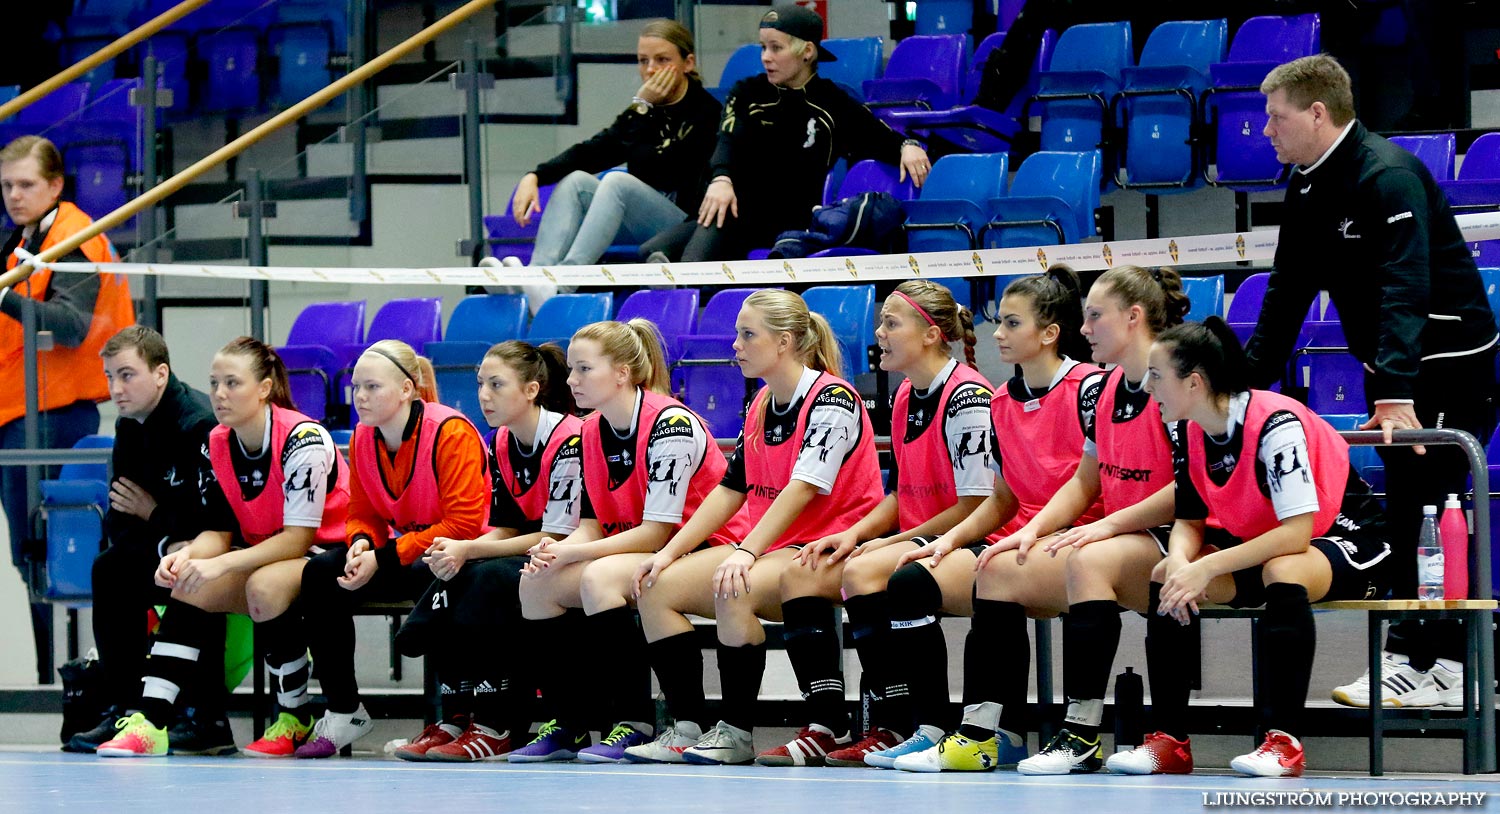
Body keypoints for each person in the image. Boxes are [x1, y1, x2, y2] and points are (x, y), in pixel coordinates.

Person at [1247, 54, 1498, 707]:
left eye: (1276, 118)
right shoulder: (1305, 184)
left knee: (1432, 502)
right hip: (1391, 369)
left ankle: (1442, 663)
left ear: (1317, 113)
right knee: (1408, 506)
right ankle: (1416, 657)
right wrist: (1241, 382)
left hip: (1449, 366)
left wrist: (1395, 393)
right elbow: (1286, 293)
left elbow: (1404, 291)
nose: (1266, 130)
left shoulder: (1388, 177)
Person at [858, 269, 1103, 773]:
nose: (997, 334)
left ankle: (998, 731)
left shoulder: (1089, 389)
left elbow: (1091, 485)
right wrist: (941, 542)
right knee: (912, 576)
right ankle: (937, 729)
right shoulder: (1003, 401)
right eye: (998, 322)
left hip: (1083, 540)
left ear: (1050, 333)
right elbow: (1002, 499)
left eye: (1011, 323)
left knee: (991, 573)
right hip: (1017, 541)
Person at [628, 289, 883, 765]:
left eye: (748, 335)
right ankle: (686, 726)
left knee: (735, 586)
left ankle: (740, 731)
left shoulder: (833, 399)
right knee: (655, 587)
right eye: (737, 335)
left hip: (837, 545)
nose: (736, 346)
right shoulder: (764, 400)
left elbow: (803, 487)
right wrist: (667, 553)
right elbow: (730, 489)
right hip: (779, 549)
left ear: (784, 342)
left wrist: (745, 550)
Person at [754, 279, 991, 767]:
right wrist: (856, 532)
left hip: (973, 535)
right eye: (881, 321)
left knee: (865, 571)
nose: (878, 333)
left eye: (891, 323)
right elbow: (902, 494)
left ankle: (906, 722)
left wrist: (893, 541)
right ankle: (827, 723)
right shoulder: (906, 393)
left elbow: (976, 504)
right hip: (926, 534)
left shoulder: (967, 396)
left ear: (930, 335)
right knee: (803, 569)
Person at [1143, 317, 1395, 777]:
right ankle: (1169, 742)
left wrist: (1207, 566)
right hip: (1264, 543)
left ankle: (1284, 743)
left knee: (1282, 570)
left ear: (1194, 383)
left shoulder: (1275, 423)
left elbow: (1296, 534)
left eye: (1156, 375)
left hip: (1347, 534)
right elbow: (1189, 519)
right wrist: (1181, 562)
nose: (1146, 386)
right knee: (1167, 576)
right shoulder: (1190, 427)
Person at [968, 266, 1190, 776]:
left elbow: (1192, 488)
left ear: (1133, 318)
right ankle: (982, 732)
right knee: (995, 568)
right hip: (1127, 534)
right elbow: (1084, 482)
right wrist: (1032, 529)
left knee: (1088, 559)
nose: (1084, 327)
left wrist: (1108, 526)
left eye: (1094, 316)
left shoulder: (1175, 383)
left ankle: (1082, 732)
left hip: (1180, 533)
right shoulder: (1107, 389)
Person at [95, 337, 349, 757]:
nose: (219, 394)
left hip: (326, 551)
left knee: (262, 587)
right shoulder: (217, 441)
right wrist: (187, 555)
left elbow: (298, 538)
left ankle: (295, 715)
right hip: (265, 551)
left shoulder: (303, 438)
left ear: (264, 388)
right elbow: (219, 530)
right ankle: (149, 722)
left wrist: (222, 563)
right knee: (188, 582)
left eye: (232, 383)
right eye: (214, 383)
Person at [509, 319, 741, 764]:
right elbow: (594, 524)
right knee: (534, 583)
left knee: (597, 578)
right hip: (640, 549)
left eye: (583, 369)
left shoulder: (670, 422)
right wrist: (556, 550)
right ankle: (569, 724)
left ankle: (633, 722)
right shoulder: (590, 430)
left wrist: (573, 552)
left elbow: (657, 531)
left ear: (621, 374)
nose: (571, 380)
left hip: (706, 545)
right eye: (572, 370)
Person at [390, 340, 583, 762]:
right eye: (480, 383)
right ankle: (456, 715)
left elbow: (556, 534)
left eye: (497, 384)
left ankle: (498, 724)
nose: (483, 394)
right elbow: (510, 525)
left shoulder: (569, 438)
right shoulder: (499, 442)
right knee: (441, 566)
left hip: (572, 551)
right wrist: (460, 549)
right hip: (530, 548)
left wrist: (471, 548)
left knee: (488, 576)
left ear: (531, 390)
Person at [296, 340, 490, 758]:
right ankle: (345, 710)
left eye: (372, 387)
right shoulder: (365, 437)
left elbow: (463, 525)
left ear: (406, 389)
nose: (360, 397)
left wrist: (381, 558)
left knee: (436, 571)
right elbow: (361, 510)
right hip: (407, 551)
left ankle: (454, 718)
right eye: (355, 387)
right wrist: (361, 544)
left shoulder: (450, 432)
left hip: (467, 553)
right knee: (319, 574)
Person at [638, 5, 930, 263]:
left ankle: (691, 298)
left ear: (807, 52)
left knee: (688, 264)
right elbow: (727, 139)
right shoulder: (747, 92)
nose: (766, 57)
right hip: (734, 210)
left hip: (787, 220)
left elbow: (880, 136)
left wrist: (908, 145)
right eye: (763, 47)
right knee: (650, 252)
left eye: (776, 48)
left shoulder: (833, 103)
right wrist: (722, 178)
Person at [0, 135, 132, 683]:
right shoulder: (30, 236)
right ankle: (47, 678)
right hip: (21, 410)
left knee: (54, 554)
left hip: (53, 414)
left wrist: (1, 293)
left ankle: (68, 680)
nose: (14, 195)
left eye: (26, 184)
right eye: (7, 185)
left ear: (55, 185)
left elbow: (71, 324)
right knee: (30, 555)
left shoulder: (71, 237)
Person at [65, 327, 219, 753]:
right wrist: (162, 536)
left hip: (215, 552)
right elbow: (119, 514)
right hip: (162, 548)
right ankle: (125, 707)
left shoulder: (198, 424)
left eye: (127, 375)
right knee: (110, 567)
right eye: (110, 376)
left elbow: (213, 523)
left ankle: (208, 719)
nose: (115, 388)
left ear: (161, 373)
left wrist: (155, 514)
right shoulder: (130, 425)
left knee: (192, 569)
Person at [502, 19, 721, 306]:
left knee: (617, 181)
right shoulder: (644, 112)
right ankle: (537, 279)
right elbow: (596, 149)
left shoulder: (707, 112)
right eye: (643, 61)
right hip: (639, 217)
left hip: (681, 224)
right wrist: (536, 176)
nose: (651, 70)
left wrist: (642, 107)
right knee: (577, 181)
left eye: (662, 60)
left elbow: (670, 169)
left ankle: (563, 286)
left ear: (687, 63)